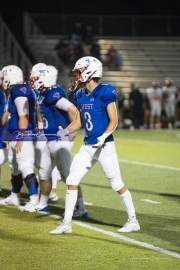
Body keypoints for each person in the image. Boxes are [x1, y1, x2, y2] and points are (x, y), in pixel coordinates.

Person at [50, 56, 140, 235]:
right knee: (71, 180)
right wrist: (62, 132)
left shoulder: (106, 91)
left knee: (117, 184)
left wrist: (104, 136)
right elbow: (79, 122)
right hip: (87, 146)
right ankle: (66, 223)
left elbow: (114, 121)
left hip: (104, 146)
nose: (76, 76)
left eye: (79, 72)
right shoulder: (80, 95)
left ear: (89, 72)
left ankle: (133, 220)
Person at [28, 64, 87, 216]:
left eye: (35, 78)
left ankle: (81, 209)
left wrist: (72, 131)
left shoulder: (52, 93)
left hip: (60, 139)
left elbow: (72, 109)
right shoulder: (43, 93)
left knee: (68, 176)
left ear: (43, 79)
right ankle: (42, 204)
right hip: (50, 139)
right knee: (44, 173)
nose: (33, 81)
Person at [0, 65, 39, 208]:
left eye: (3, 77)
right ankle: (14, 196)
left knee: (25, 165)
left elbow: (24, 116)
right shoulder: (15, 91)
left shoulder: (19, 90)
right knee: (14, 167)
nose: (2, 80)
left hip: (23, 134)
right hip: (15, 134)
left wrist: (20, 139)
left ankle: (34, 199)